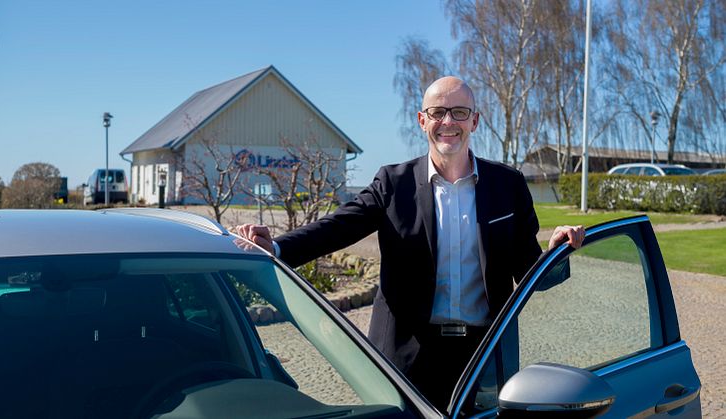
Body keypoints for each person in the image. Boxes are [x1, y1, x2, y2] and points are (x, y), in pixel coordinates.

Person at [237, 76, 584, 410]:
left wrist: (555, 253)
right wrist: (278, 247)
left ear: (474, 121)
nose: (448, 121)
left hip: (485, 355)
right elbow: (339, 227)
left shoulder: (508, 185)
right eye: (437, 112)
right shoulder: (393, 183)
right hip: (406, 355)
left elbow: (528, 272)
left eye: (459, 112)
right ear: (422, 120)